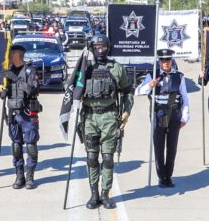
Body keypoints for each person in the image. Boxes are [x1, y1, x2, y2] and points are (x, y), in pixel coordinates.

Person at [76, 34, 134, 210]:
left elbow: (127, 90)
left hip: (109, 117)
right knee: (92, 157)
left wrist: (126, 111)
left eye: (103, 47)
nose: (100, 50)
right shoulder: (84, 68)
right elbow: (73, 87)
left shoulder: (116, 68)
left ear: (108, 48)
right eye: (97, 47)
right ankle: (94, 194)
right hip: (89, 117)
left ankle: (105, 193)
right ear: (91, 47)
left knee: (108, 159)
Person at [146, 49, 189, 187]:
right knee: (159, 146)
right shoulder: (153, 75)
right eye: (163, 60)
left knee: (172, 146)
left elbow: (184, 97)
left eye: (168, 60)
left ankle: (168, 175)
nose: (165, 63)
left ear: (172, 61)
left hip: (174, 114)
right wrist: (149, 85)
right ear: (159, 61)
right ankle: (160, 176)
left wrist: (185, 116)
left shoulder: (179, 76)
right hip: (159, 114)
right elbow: (139, 91)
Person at [1, 44, 41, 190]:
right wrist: (3, 93)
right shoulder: (8, 71)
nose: (9, 57)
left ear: (18, 55)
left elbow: (32, 90)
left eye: (11, 54)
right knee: (16, 146)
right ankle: (19, 175)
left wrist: (16, 79)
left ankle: (30, 176)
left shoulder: (30, 70)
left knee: (31, 145)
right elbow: (3, 90)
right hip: (12, 113)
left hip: (27, 114)